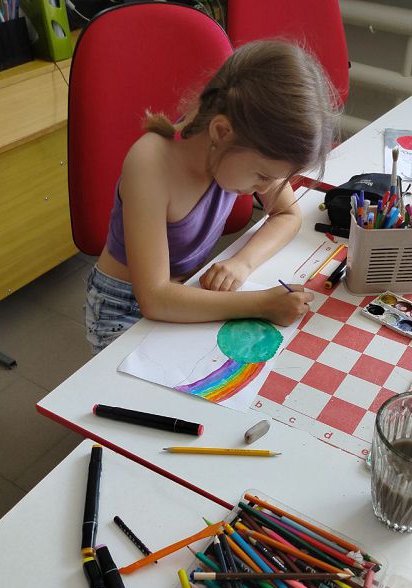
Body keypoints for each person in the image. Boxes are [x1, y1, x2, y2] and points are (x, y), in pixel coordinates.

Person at [85, 39, 339, 353]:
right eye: (262, 176)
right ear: (221, 132)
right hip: (124, 307)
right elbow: (155, 298)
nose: (265, 188)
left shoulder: (238, 146)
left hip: (185, 293)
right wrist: (262, 305)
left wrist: (242, 263)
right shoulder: (151, 163)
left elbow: (287, 214)